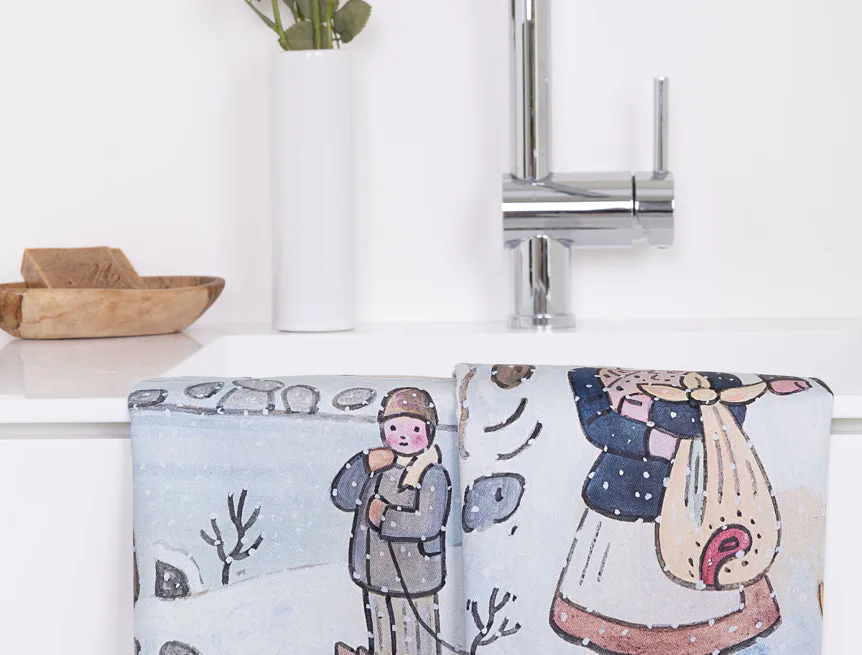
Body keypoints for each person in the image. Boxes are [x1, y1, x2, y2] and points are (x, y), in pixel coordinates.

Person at [332, 387, 451, 655]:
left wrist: (384, 516)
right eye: (394, 428)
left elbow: (426, 524)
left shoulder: (432, 474)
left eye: (415, 429)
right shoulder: (380, 467)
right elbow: (343, 497)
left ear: (429, 431)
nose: (404, 437)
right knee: (383, 636)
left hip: (416, 579)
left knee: (415, 642)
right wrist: (364, 464)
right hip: (375, 574)